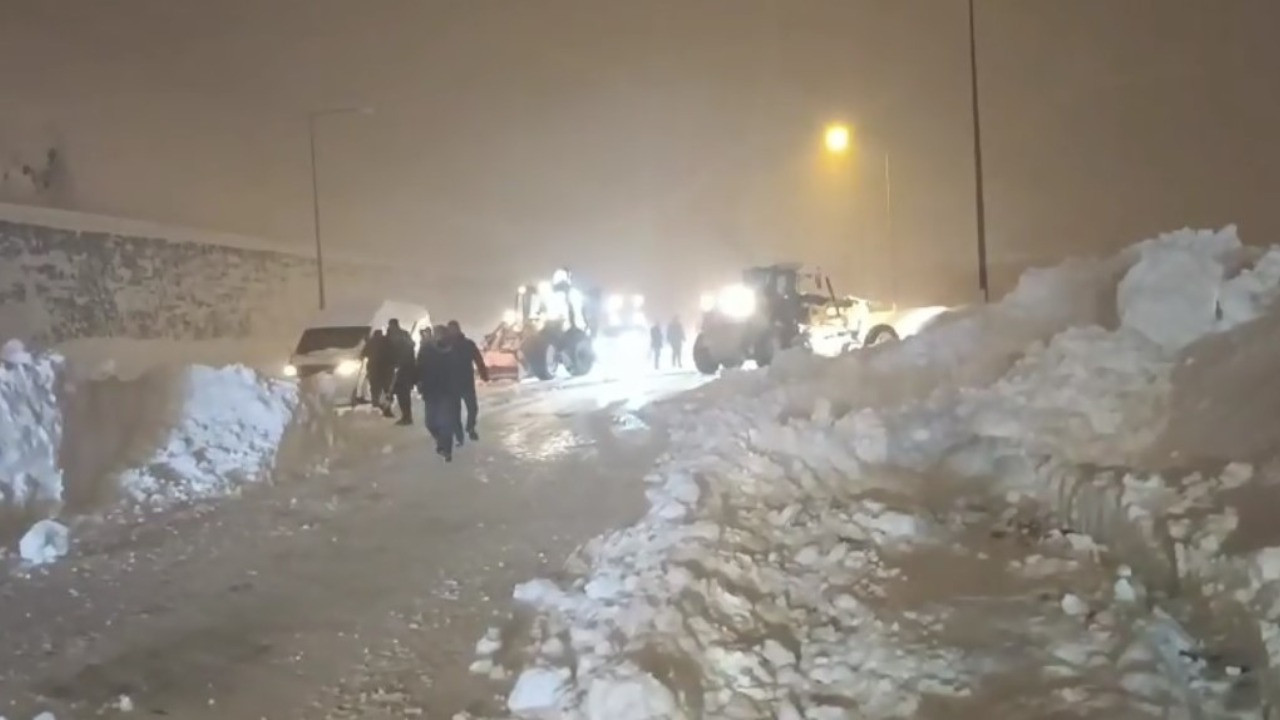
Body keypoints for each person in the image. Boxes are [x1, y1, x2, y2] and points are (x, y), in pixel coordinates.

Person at [417, 324, 462, 461]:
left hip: (447, 392)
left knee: (445, 422)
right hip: (430, 391)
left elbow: (460, 370)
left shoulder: (454, 350)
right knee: (430, 423)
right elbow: (419, 368)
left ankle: (447, 450)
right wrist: (418, 382)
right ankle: (441, 441)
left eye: (440, 334)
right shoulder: (426, 350)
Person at [446, 320, 489, 444]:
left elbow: (478, 360)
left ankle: (470, 427)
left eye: (454, 329)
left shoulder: (467, 344)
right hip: (453, 383)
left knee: (472, 408)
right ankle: (460, 434)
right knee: (455, 410)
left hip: (465, 382)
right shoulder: (445, 345)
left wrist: (484, 374)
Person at [386, 318, 417, 425]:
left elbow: (411, 347)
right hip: (397, 368)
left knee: (403, 394)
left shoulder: (401, 335)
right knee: (400, 394)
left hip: (404, 369)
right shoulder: (392, 336)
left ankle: (407, 416)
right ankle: (405, 415)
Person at [361, 329, 394, 417]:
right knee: (387, 390)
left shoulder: (371, 342)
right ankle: (388, 409)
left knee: (375, 390)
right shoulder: (387, 341)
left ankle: (376, 408)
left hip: (374, 370)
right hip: (386, 370)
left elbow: (364, 353)